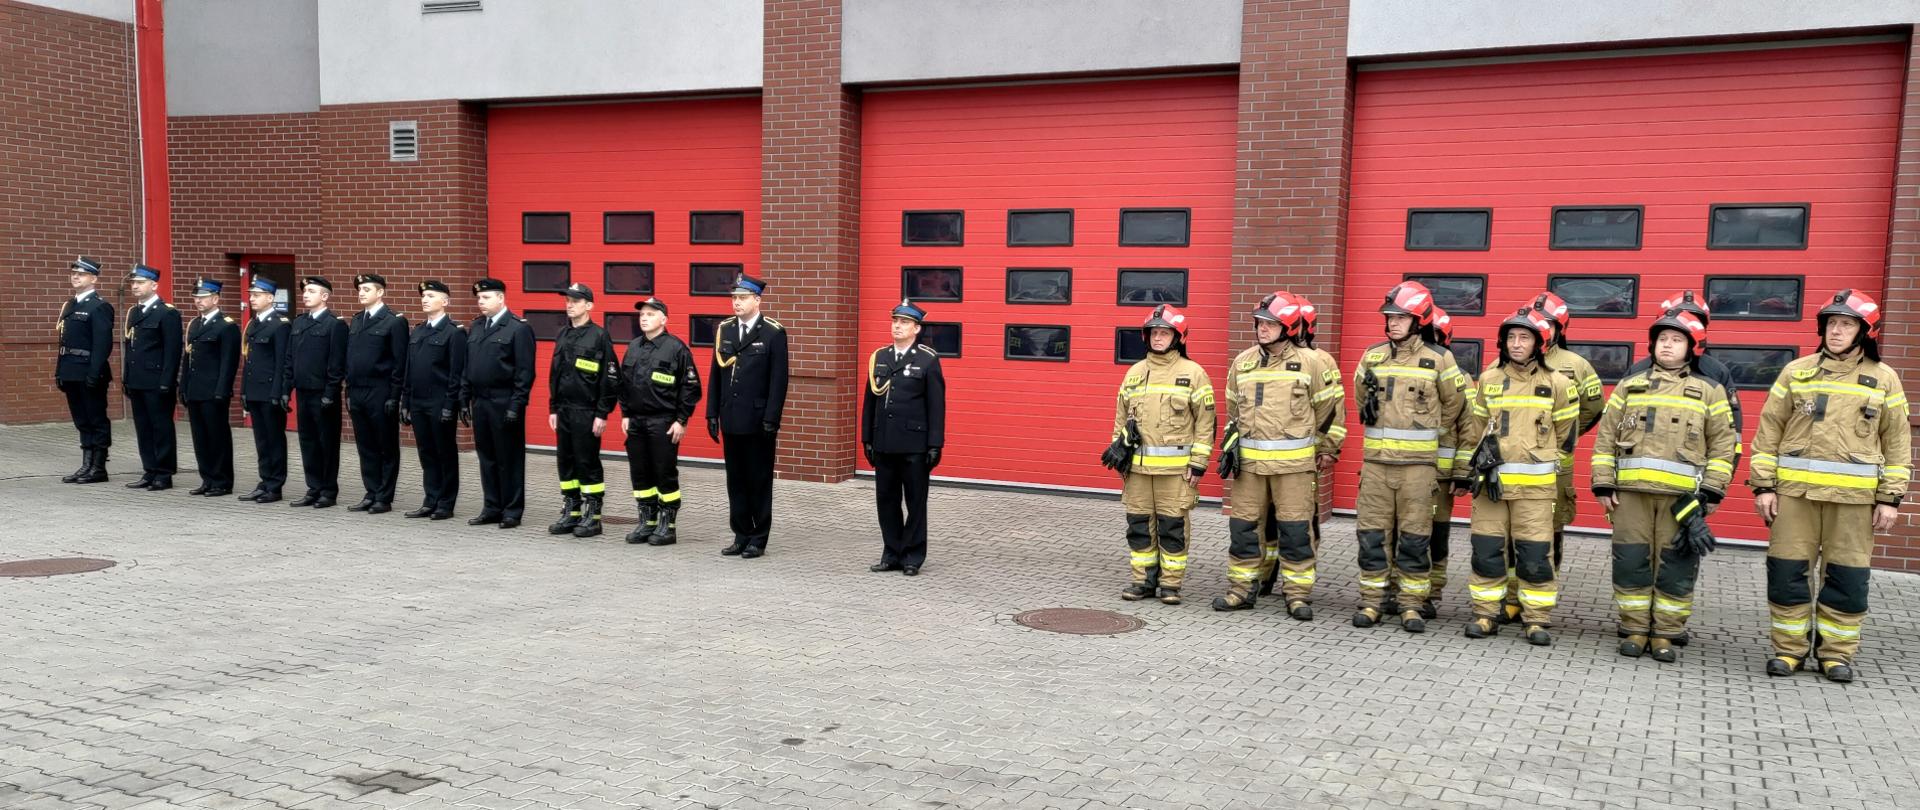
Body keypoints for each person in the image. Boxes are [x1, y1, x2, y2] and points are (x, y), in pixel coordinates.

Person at [1749, 289, 1910, 683]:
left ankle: (1836, 655)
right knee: (1786, 574)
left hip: (1854, 503)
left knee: (1847, 578)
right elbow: (1768, 433)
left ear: (1864, 332)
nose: (1837, 331)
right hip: (1795, 498)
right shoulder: (1796, 372)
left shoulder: (1884, 378)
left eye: (1847, 324)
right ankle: (1788, 651)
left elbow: (1897, 443)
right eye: (1832, 323)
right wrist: (1764, 487)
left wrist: (1890, 498)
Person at [1591, 308, 1737, 664]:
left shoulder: (1709, 390)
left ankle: (1665, 634)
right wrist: (1603, 483)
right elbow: (1606, 438)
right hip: (1632, 496)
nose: (1667, 345)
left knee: (1675, 565)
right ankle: (1635, 628)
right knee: (1631, 563)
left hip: (1681, 501)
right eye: (1662, 339)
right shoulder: (1630, 384)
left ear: (1692, 347)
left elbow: (1723, 446)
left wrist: (1710, 494)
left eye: (1676, 340)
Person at [1214, 291, 1339, 616]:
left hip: (1294, 468)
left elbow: (1331, 411)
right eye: (1260, 322)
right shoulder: (1243, 362)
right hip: (1250, 468)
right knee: (1243, 530)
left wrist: (1327, 449)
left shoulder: (1312, 362)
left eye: (1271, 323)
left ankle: (1297, 595)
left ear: (1289, 327)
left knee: (1296, 532)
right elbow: (1232, 409)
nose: (1262, 328)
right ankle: (1241, 590)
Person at [1350, 282, 1466, 632]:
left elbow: (1454, 407)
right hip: (1376, 466)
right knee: (1372, 536)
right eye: (1389, 317)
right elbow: (1360, 398)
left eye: (1401, 317)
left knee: (1415, 538)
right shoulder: (1372, 356)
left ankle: (1411, 606)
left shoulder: (1440, 359)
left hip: (1417, 469)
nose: (1392, 323)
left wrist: (1423, 431)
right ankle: (1372, 603)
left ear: (1420, 320)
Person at [1460, 306, 1576, 645]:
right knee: (1486, 550)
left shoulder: (1558, 384)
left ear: (1540, 342)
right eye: (1511, 337)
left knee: (1536, 556)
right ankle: (1485, 614)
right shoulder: (1491, 380)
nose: (1516, 343)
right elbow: (1476, 428)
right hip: (1492, 488)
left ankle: (1536, 620)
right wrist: (1481, 464)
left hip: (1536, 492)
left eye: (1524, 337)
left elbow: (1566, 435)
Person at [1101, 304, 1215, 605]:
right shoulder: (1135, 373)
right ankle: (1142, 581)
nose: (1158, 338)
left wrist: (1199, 463)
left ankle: (1171, 585)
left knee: (1172, 528)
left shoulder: (1193, 373)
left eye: (1164, 332)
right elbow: (1120, 418)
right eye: (1153, 332)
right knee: (1139, 527)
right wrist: (1119, 453)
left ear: (1178, 336)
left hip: (1175, 472)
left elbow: (1206, 423)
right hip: (1137, 471)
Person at [1512, 292, 1606, 622]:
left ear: (1559, 327)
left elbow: (1594, 407)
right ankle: (1512, 596)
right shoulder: (1511, 360)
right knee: (1513, 532)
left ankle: (1538, 596)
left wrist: (1561, 434)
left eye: (1547, 323)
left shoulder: (1575, 365)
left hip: (1556, 468)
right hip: (1516, 466)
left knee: (1549, 532)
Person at [1255, 295, 1344, 598]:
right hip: (1263, 458)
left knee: (1301, 520)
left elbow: (1332, 411)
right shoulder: (1262, 359)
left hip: (1301, 460)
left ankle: (1299, 578)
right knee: (1264, 521)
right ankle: (1264, 575)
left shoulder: (1319, 361)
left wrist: (1325, 448)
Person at [863, 299, 947, 576]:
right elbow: (870, 402)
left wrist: (935, 444)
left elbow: (936, 406)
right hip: (884, 442)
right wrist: (867, 438)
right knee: (886, 501)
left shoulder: (927, 359)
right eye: (895, 321)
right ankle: (891, 553)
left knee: (915, 502)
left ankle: (912, 556)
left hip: (914, 445)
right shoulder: (880, 357)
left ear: (917, 329)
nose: (898, 326)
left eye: (905, 323)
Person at [707, 273, 789, 558]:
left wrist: (771, 419)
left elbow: (779, 381)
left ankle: (758, 537)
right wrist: (712, 413)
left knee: (758, 479)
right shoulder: (725, 330)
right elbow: (716, 375)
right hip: (731, 418)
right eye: (734, 298)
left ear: (757, 299)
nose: (736, 303)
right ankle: (741, 533)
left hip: (758, 422)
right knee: (736, 481)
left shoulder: (773, 333)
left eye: (742, 298)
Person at [618, 296, 701, 545]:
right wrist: (625, 414)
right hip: (637, 422)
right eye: (642, 314)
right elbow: (623, 384)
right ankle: (647, 522)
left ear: (664, 319)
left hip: (663, 422)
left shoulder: (676, 348)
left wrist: (681, 420)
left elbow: (691, 387)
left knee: (664, 473)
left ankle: (668, 525)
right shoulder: (633, 346)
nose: (644, 317)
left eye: (650, 314)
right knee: (640, 474)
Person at [545, 283, 619, 539]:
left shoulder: (599, 336)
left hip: (587, 411)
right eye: (567, 300)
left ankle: (593, 516)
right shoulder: (563, 334)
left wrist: (602, 413)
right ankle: (572, 510)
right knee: (565, 462)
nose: (569, 305)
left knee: (587, 463)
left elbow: (610, 378)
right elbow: (555, 374)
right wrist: (553, 407)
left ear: (589, 305)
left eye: (575, 301)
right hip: (563, 410)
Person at [465, 278, 537, 529]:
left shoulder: (517, 328)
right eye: (478, 298)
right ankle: (492, 507)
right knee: (487, 457)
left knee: (509, 458)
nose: (480, 302)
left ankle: (512, 510)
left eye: (485, 297)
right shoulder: (476, 327)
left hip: (504, 401)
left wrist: (517, 405)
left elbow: (525, 373)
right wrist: (465, 398)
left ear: (501, 298)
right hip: (481, 402)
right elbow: (469, 366)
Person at [1424, 306, 1478, 615]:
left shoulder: (1461, 380)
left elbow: (1469, 431)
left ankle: (1431, 593)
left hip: (1441, 478)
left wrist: (1462, 473)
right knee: (1396, 533)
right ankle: (1395, 588)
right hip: (1404, 469)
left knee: (1436, 537)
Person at [401, 280, 466, 520]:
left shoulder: (454, 332)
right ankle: (430, 499)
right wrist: (405, 402)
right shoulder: (418, 331)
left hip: (440, 403)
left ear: (445, 302)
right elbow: (410, 369)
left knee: (444, 453)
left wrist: (451, 404)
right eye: (423, 296)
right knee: (426, 453)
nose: (425, 299)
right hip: (418, 402)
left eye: (430, 295)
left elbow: (455, 373)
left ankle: (446, 503)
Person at [344, 273, 408, 514]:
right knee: (366, 445)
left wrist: (394, 395)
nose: (361, 293)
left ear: (380, 292)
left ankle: (384, 495)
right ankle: (371, 491)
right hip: (358, 391)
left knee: (385, 445)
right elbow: (351, 359)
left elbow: (399, 362)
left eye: (367, 289)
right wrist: (348, 390)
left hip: (381, 391)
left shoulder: (393, 322)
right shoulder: (357, 320)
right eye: (359, 289)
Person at [286, 276, 348, 508]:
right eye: (304, 291)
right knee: (308, 441)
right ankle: (314, 487)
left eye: (311, 291)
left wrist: (330, 393)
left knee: (327, 443)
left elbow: (336, 364)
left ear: (324, 296)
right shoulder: (299, 323)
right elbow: (290, 359)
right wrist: (286, 388)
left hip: (323, 394)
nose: (305, 294)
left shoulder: (335, 325)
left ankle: (328, 491)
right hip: (303, 392)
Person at [120, 265, 183, 490]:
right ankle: (150, 470)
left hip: (157, 381)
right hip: (137, 380)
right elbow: (131, 349)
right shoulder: (134, 312)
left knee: (161, 427)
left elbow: (172, 351)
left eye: (140, 282)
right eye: (133, 283)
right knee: (143, 427)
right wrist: (126, 378)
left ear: (154, 285)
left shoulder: (167, 313)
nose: (135, 286)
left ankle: (164, 473)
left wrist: (167, 380)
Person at [56, 256, 116, 484]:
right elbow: (63, 341)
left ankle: (99, 467)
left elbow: (102, 345)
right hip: (70, 370)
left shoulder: (99, 306)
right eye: (73, 273)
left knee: (96, 418)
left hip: (90, 372)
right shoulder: (71, 305)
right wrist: (59, 371)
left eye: (80, 274)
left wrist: (94, 373)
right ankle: (86, 464)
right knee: (81, 419)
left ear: (93, 278)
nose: (75, 277)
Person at [180, 279, 241, 496]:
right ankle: (207, 478)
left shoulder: (226, 326)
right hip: (196, 389)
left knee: (217, 436)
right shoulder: (195, 325)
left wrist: (222, 390)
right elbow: (188, 358)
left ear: (216, 299)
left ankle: (222, 481)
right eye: (196, 297)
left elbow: (228, 363)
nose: (198, 301)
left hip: (213, 391)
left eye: (203, 297)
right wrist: (183, 386)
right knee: (200, 437)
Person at [238, 278, 291, 503]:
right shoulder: (253, 324)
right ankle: (265, 480)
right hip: (255, 390)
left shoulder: (280, 324)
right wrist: (244, 390)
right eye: (251, 295)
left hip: (270, 391)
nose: (252, 299)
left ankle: (275, 485)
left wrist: (277, 392)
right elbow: (248, 362)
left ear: (270, 298)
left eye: (257, 295)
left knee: (274, 439)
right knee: (261, 440)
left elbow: (281, 363)